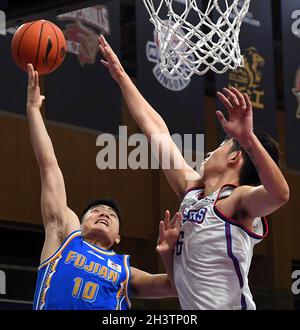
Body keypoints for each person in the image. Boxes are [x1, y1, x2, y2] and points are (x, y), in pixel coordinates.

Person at [99, 35, 290, 310]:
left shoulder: (237, 201)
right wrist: (121, 76)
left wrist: (248, 138)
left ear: (236, 157)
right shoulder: (191, 190)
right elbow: (156, 130)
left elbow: (280, 194)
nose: (209, 153)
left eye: (220, 146)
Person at [26, 64, 182, 310]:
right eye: (97, 211)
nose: (104, 214)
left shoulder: (124, 269)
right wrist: (34, 110)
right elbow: (49, 166)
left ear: (118, 237)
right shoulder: (64, 238)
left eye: (111, 215)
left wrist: (168, 256)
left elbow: (175, 287)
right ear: (79, 223)